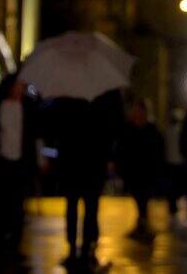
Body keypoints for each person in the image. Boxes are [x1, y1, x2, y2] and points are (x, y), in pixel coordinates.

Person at [46, 89, 122, 266]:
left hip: (73, 157)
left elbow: (55, 123)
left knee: (74, 205)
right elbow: (114, 124)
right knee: (90, 206)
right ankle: (87, 247)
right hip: (92, 158)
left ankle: (75, 247)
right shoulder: (104, 91)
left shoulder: (67, 91)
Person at [0, 74, 38, 260]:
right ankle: (0, 240)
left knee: (17, 203)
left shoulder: (27, 108)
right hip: (2, 161)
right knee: (2, 202)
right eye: (18, 85)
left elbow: (34, 136)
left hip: (20, 162)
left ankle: (14, 243)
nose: (20, 89)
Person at [115, 98, 165, 240]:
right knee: (138, 199)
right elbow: (122, 149)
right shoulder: (129, 129)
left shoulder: (151, 131)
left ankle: (142, 224)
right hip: (133, 171)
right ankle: (142, 224)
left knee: (143, 199)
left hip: (147, 171)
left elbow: (158, 151)